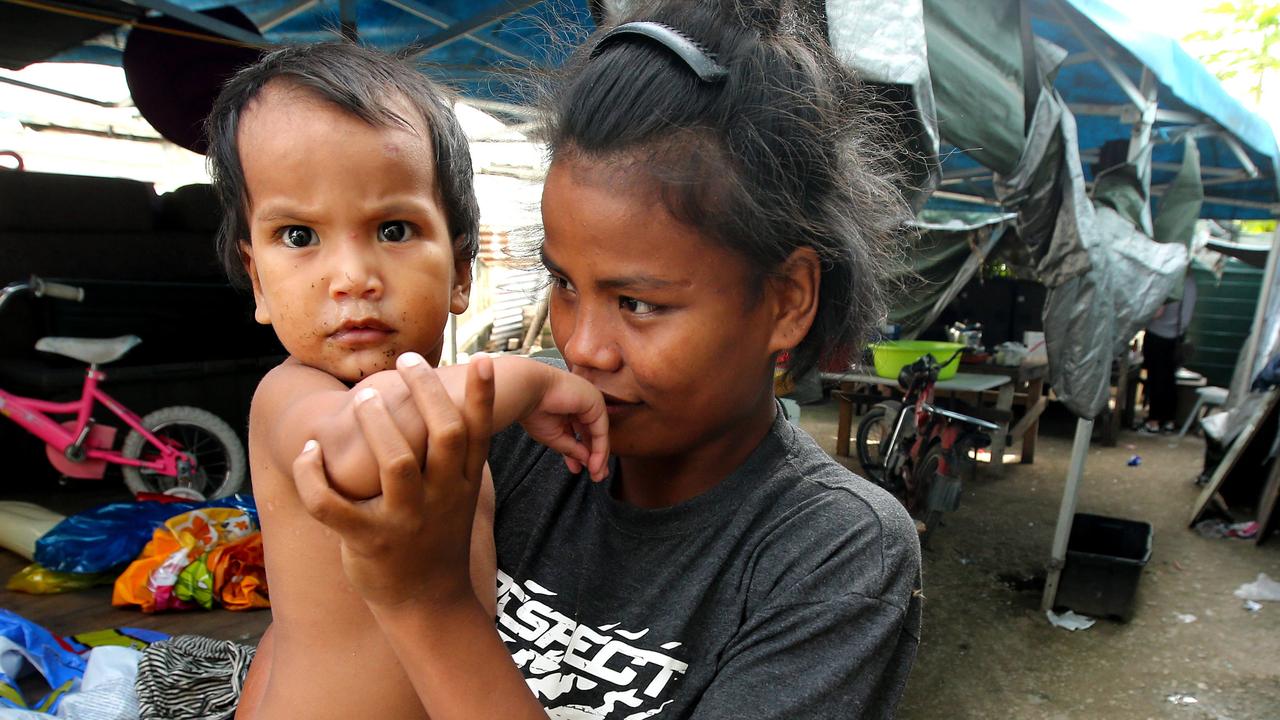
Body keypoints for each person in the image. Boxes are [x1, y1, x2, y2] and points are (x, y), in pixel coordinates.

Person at [295, 2, 923, 717]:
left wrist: (426, 601)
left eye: (639, 303)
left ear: (787, 298)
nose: (582, 349)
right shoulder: (521, 438)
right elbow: (330, 456)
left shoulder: (831, 552)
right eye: (564, 283)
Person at [200, 43, 610, 720]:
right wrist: (526, 382)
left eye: (393, 228)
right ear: (257, 280)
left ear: (459, 273)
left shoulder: (452, 412)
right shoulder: (293, 396)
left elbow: (289, 628)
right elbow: (360, 451)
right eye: (299, 236)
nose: (351, 277)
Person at [1142, 273, 1198, 434]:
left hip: (1157, 334)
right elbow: (1187, 315)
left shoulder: (1169, 279)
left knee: (1155, 378)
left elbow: (1157, 312)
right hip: (1174, 337)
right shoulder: (1190, 282)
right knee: (1168, 379)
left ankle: (1154, 420)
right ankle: (1169, 420)